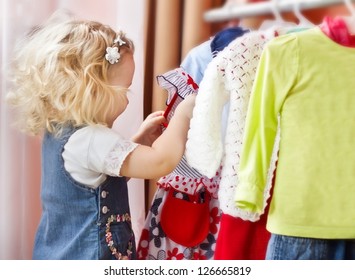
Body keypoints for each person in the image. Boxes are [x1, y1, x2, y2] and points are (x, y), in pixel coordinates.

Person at [6, 11, 195, 260]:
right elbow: (161, 162)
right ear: (92, 90)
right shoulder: (91, 139)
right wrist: (185, 112)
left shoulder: (62, 131)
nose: (128, 99)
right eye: (124, 89)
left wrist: (139, 141)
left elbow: (100, 179)